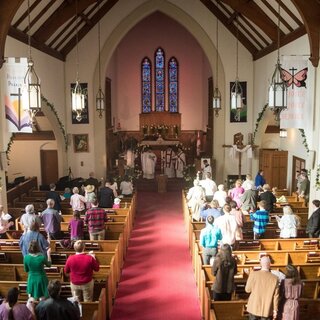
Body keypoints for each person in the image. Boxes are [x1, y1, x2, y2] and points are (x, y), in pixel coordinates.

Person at [245, 255, 279, 320]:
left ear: (260, 264)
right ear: (269, 264)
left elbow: (247, 290)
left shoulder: (253, 274)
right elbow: (276, 296)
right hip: (267, 309)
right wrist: (275, 310)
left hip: (253, 307)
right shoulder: (275, 278)